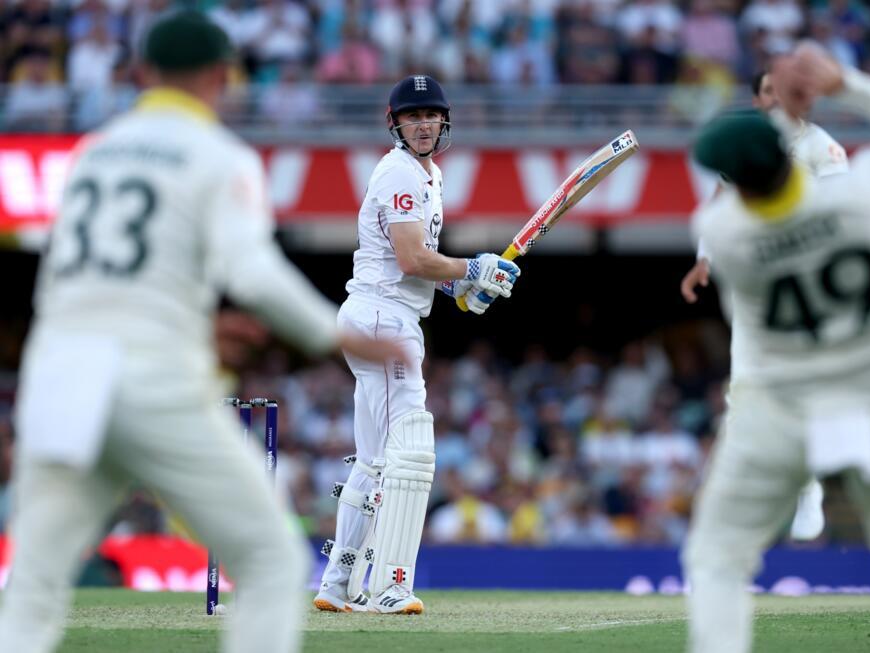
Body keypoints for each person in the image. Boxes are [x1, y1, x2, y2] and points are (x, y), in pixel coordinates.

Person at [0, 11, 403, 653]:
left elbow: (91, 285)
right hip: (150, 379)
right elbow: (254, 274)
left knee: (34, 583)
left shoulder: (91, 151)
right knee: (271, 561)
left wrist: (194, 326)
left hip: (59, 377)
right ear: (224, 76)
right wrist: (335, 335)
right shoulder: (221, 155)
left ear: (141, 75)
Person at [683, 45, 870, 653]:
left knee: (718, 557)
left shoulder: (730, 237)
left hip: (782, 411)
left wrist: (784, 116)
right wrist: (844, 84)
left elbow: (746, 183)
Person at [313, 74, 520, 615]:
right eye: (413, 117)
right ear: (396, 123)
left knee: (375, 459)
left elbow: (421, 264)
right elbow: (410, 259)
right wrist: (472, 265)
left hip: (385, 316)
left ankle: (336, 585)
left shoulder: (431, 175)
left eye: (431, 116)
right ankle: (389, 587)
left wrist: (461, 286)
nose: (423, 124)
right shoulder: (397, 174)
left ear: (443, 121)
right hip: (383, 321)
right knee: (410, 451)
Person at [681, 67, 849, 542]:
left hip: (809, 288)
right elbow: (722, 198)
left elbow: (841, 215)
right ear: (757, 101)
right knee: (745, 394)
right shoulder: (747, 145)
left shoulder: (822, 147)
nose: (778, 99)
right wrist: (703, 258)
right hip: (756, 287)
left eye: (786, 91)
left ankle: (809, 487)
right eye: (769, 92)